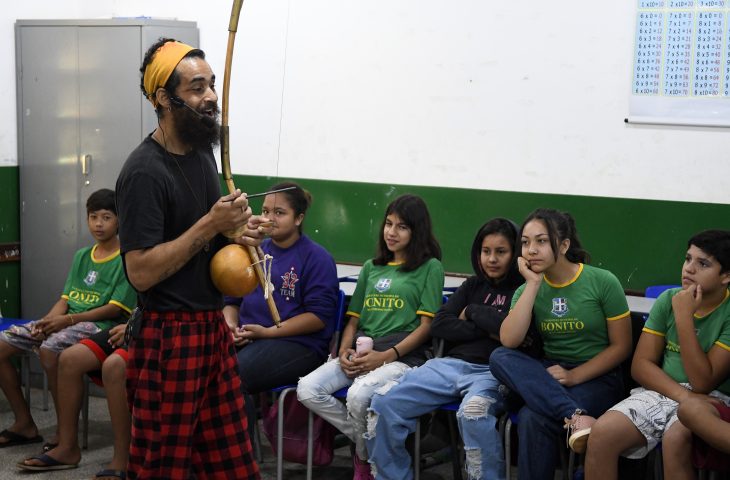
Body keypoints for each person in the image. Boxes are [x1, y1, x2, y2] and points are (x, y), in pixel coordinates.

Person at [115, 38, 267, 479]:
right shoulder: (144, 172)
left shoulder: (202, 154)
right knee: (164, 468)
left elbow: (216, 241)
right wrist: (211, 225)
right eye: (197, 88)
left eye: (212, 85)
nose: (211, 98)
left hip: (211, 330)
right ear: (164, 98)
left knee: (234, 466)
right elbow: (140, 273)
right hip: (167, 339)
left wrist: (242, 233)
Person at [367, 218, 531, 480]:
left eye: (501, 252)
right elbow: (440, 324)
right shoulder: (472, 286)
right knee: (383, 403)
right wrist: (491, 328)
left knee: (473, 413)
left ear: (515, 254)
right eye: (485, 251)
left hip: (495, 371)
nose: (491, 259)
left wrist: (473, 312)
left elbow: (518, 337)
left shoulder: (524, 289)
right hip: (448, 366)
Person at [297, 193, 444, 480]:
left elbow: (426, 327)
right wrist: (343, 351)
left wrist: (386, 356)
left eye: (401, 226)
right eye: (388, 224)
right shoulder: (370, 267)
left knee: (358, 395)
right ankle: (374, 447)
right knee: (307, 389)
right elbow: (353, 320)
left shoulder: (430, 268)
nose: (391, 232)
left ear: (417, 231)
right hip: (362, 352)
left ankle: (364, 460)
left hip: (401, 357)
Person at [489, 208, 632, 480]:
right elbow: (509, 340)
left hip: (598, 376)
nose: (531, 250)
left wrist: (574, 375)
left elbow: (621, 347)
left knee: (532, 417)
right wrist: (532, 285)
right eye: (526, 242)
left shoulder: (602, 281)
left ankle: (572, 415)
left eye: (541, 241)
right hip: (550, 375)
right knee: (499, 356)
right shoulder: (527, 287)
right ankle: (574, 415)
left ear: (564, 245)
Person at [0, 188, 135, 463]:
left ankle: (65, 434)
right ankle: (24, 423)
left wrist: (66, 321)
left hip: (99, 325)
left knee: (50, 349)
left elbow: (113, 309)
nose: (99, 224)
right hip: (67, 320)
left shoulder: (125, 257)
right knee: (1, 344)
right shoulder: (82, 256)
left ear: (119, 221)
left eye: (106, 217)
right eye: (93, 217)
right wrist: (47, 321)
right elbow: (66, 299)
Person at [585, 230, 730, 480]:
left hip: (710, 401)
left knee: (678, 438)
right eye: (688, 259)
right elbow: (641, 366)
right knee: (602, 432)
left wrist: (684, 317)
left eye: (703, 263)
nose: (689, 269)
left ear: (726, 276)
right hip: (663, 390)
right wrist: (681, 396)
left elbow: (703, 382)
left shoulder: (725, 312)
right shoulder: (668, 299)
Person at [223, 182, 338, 423]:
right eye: (265, 211)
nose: (269, 218)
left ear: (299, 218)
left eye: (279, 212)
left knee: (233, 375)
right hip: (250, 338)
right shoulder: (253, 250)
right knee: (206, 365)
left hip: (298, 345)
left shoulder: (317, 258)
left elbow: (318, 317)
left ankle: (241, 458)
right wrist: (231, 326)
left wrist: (266, 333)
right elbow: (231, 300)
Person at [19, 323, 131, 479]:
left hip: (157, 325)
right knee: (69, 358)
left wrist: (136, 325)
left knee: (114, 366)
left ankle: (123, 459)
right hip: (136, 318)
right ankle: (67, 447)